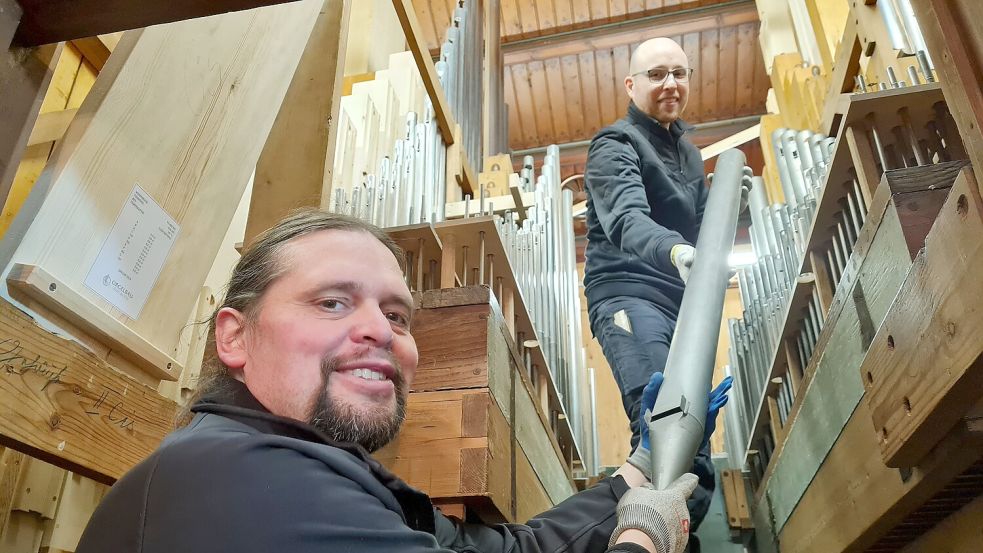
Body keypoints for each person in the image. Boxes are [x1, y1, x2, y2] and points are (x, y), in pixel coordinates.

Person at [75, 210, 728, 553]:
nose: (380, 331)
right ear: (234, 337)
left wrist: (637, 472)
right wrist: (642, 537)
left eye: (395, 314)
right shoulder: (233, 479)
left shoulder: (319, 474)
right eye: (332, 302)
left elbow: (510, 548)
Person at [583, 37, 745, 540]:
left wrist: (731, 210)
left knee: (692, 435)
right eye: (657, 74)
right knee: (661, 427)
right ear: (632, 85)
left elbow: (701, 230)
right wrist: (677, 252)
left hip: (681, 306)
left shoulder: (690, 155)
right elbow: (626, 219)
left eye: (679, 72)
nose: (671, 83)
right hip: (630, 294)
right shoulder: (615, 144)